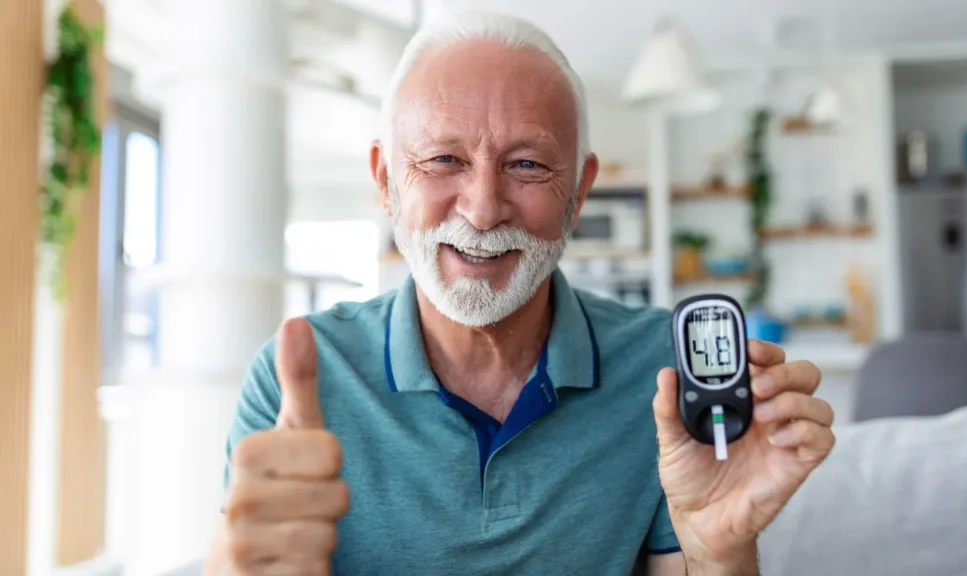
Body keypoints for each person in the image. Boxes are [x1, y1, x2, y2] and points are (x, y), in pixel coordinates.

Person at [205, 11, 835, 576]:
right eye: (443, 159)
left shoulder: (661, 370)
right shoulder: (301, 383)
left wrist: (719, 552)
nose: (482, 211)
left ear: (579, 191)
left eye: (527, 164)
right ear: (384, 179)